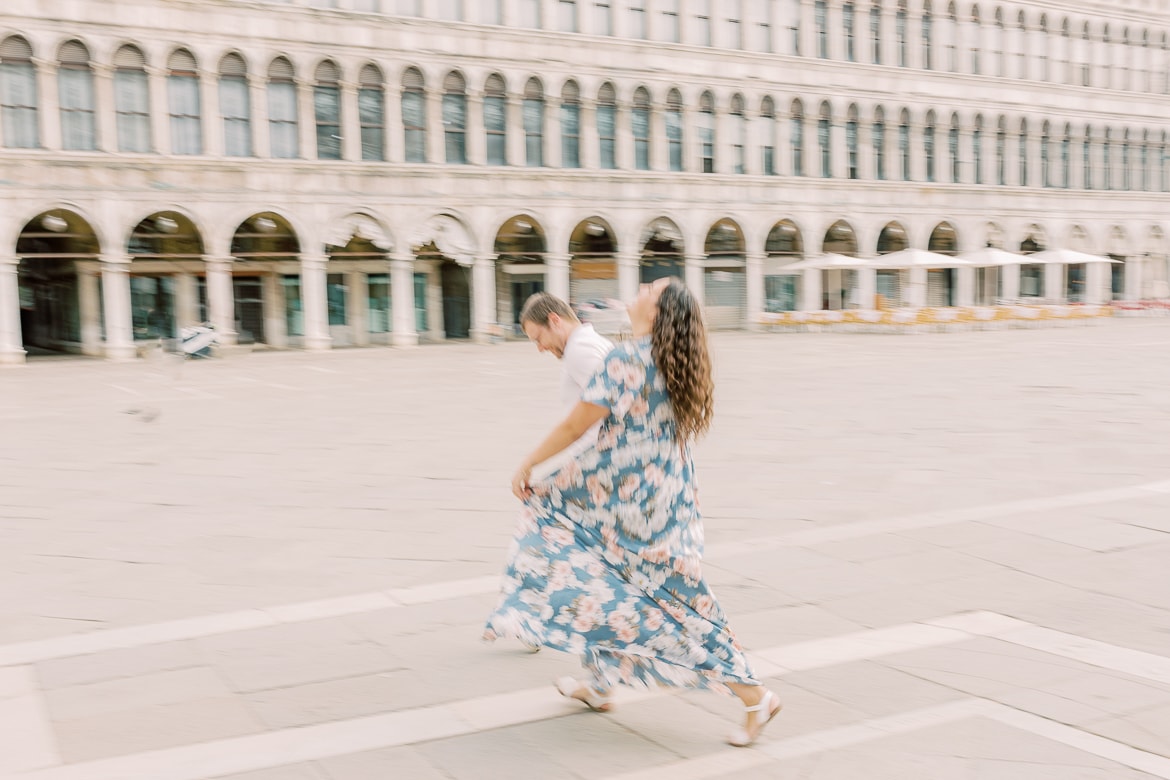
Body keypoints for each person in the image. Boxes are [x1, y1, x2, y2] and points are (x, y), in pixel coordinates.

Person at [484, 277, 781, 747]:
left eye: (650, 290)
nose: (639, 289)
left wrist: (529, 463)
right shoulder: (674, 360)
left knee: (670, 609)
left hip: (624, 507)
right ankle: (599, 685)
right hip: (664, 500)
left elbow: (579, 422)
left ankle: (754, 694)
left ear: (657, 313)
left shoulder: (627, 359)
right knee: (609, 586)